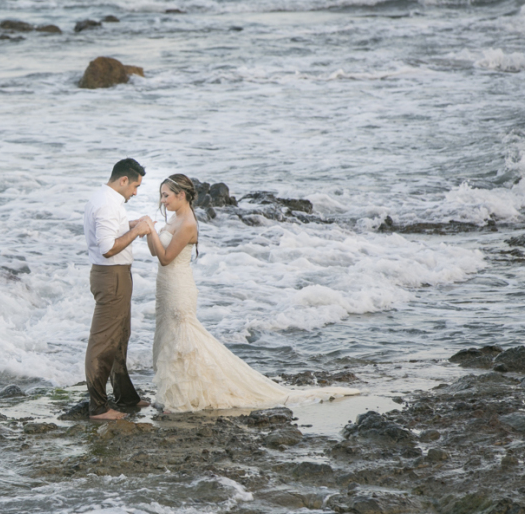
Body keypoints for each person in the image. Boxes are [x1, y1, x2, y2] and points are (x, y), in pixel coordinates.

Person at [144, 174, 360, 412]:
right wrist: (148, 232)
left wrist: (149, 231)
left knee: (182, 339)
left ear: (181, 195)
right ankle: (173, 393)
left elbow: (166, 259)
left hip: (178, 287)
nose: (162, 200)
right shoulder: (175, 218)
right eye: (161, 196)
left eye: (166, 195)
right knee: (168, 337)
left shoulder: (187, 223)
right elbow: (157, 252)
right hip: (164, 287)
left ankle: (182, 397)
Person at [83, 158, 154, 420]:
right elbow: (107, 247)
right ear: (123, 180)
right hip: (111, 276)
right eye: (135, 186)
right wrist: (136, 233)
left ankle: (125, 396)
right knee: (104, 342)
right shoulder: (106, 204)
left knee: (120, 338)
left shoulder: (109, 201)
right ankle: (98, 407)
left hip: (117, 275)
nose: (136, 192)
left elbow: (110, 234)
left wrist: (132, 224)